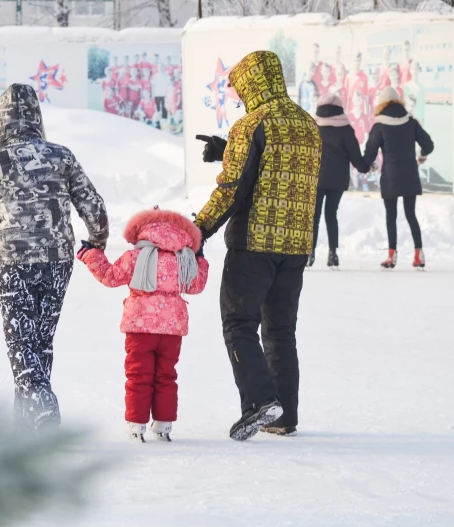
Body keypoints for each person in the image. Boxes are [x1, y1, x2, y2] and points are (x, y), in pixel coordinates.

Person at [194, 51, 321, 440]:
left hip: (254, 244)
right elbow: (283, 171)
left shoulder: (252, 123)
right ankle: (285, 416)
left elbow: (233, 189)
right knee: (281, 330)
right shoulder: (308, 124)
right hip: (295, 244)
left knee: (239, 323)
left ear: (250, 84)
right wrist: (224, 149)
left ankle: (261, 403)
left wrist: (198, 230)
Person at [0, 83, 109, 431]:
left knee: (21, 339)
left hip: (13, 262)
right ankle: (25, 420)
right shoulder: (62, 156)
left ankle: (43, 407)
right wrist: (96, 241)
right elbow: (96, 208)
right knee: (41, 340)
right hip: (57, 261)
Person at [77, 208, 208, 442]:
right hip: (172, 330)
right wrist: (200, 259)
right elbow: (195, 286)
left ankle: (136, 424)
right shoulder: (183, 258)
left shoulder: (135, 257)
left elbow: (110, 276)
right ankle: (164, 424)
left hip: (139, 328)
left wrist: (91, 254)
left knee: (138, 375)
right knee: (166, 375)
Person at [362, 86, 434, 270]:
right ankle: (419, 254)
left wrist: (367, 165)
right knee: (411, 214)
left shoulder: (379, 125)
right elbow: (428, 144)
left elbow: (370, 153)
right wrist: (422, 155)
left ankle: (391, 255)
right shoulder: (411, 122)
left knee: (391, 216)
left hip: (391, 175)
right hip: (410, 172)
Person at [311, 94, 371, 269]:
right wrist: (366, 167)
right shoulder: (345, 129)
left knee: (313, 217)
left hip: (316, 178)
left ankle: (309, 254)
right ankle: (333, 254)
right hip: (337, 179)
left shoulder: (313, 127)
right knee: (331, 215)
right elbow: (356, 158)